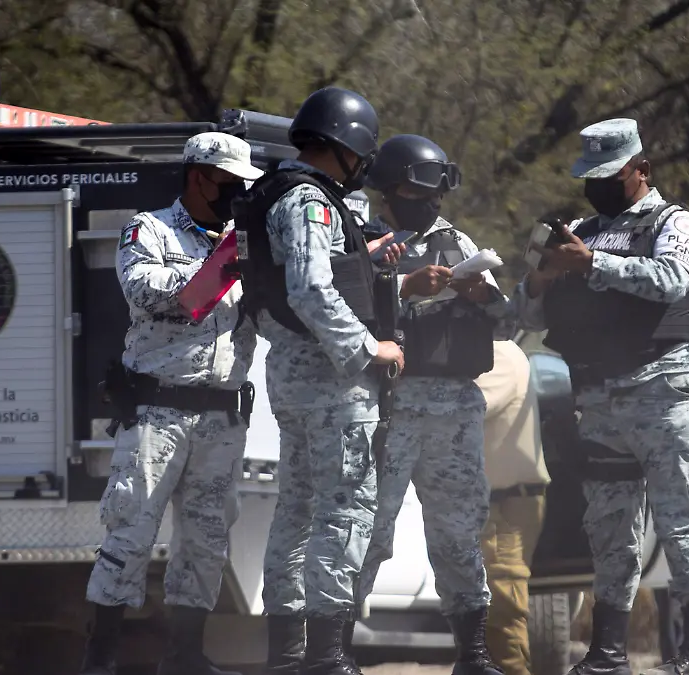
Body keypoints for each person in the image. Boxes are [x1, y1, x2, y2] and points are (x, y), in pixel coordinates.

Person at [515, 118, 689, 675]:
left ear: (641, 171)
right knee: (609, 526)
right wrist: (541, 279)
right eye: (590, 176)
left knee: (682, 520)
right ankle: (608, 651)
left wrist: (593, 264)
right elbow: (527, 315)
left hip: (661, 389)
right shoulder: (583, 228)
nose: (598, 187)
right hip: (599, 397)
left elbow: (672, 280)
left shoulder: (675, 222)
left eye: (610, 175)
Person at [230, 86, 405, 675]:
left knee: (299, 509)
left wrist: (366, 260)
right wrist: (369, 349)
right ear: (346, 145)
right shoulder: (310, 201)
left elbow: (306, 278)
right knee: (344, 509)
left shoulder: (281, 193)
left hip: (294, 370)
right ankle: (327, 657)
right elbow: (309, 290)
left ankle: (289, 656)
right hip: (331, 376)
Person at [79, 132, 266, 675]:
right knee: (130, 530)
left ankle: (185, 658)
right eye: (228, 183)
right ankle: (102, 658)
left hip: (222, 415)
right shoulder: (150, 228)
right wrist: (220, 266)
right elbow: (146, 289)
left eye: (241, 186)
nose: (235, 195)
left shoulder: (245, 242)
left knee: (207, 540)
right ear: (197, 175)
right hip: (158, 413)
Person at [354, 134, 507, 675]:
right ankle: (333, 651)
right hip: (388, 404)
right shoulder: (362, 238)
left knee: (459, 530)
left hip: (454, 407)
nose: (431, 203)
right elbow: (336, 306)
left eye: (437, 193)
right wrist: (403, 286)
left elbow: (507, 319)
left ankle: (474, 653)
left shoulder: (457, 241)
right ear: (390, 189)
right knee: (368, 529)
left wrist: (482, 295)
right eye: (421, 191)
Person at [473, 340, 551, 675]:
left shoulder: (498, 354)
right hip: (499, 502)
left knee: (503, 610)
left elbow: (465, 402)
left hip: (506, 505)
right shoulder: (493, 352)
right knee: (492, 611)